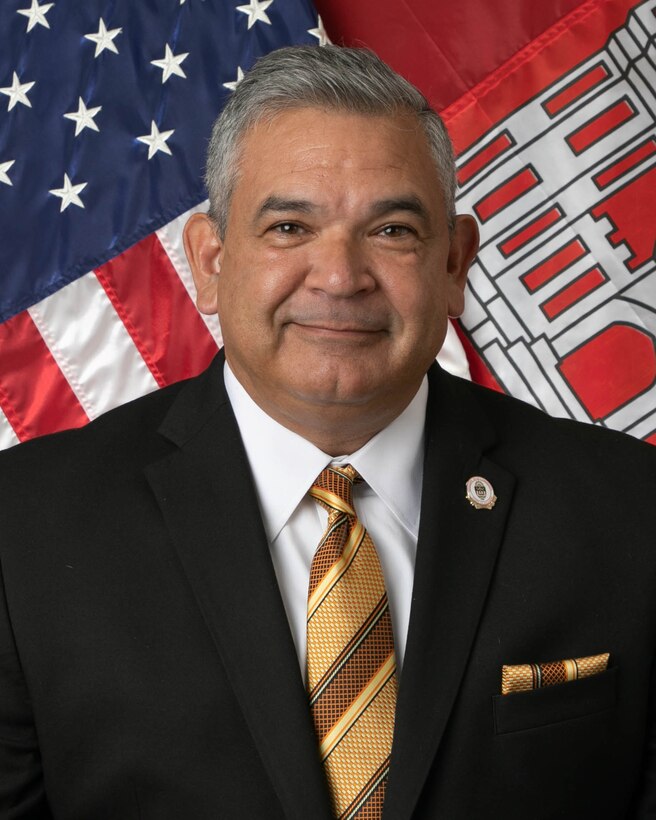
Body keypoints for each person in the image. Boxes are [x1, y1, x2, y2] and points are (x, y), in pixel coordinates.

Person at [0, 45, 654, 820]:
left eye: (393, 231)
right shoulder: (23, 529)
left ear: (453, 263)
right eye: (288, 226)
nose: (340, 277)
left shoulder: (630, 509)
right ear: (209, 264)